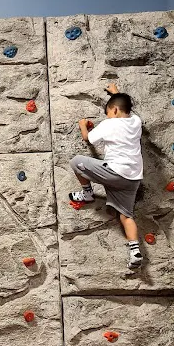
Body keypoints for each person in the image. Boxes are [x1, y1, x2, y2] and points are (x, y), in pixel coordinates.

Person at [69, 83, 144, 269]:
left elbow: (88, 139)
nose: (108, 116)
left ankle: (87, 193)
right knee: (126, 216)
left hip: (114, 172)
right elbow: (126, 107)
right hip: (133, 178)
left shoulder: (109, 123)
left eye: (109, 112)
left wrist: (82, 126)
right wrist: (116, 95)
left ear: (115, 110)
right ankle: (135, 251)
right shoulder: (136, 121)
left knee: (76, 162)